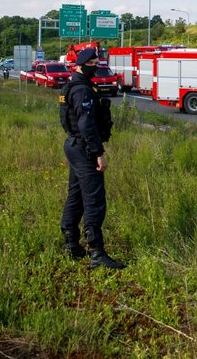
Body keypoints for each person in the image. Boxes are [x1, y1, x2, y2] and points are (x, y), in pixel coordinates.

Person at [59, 47, 123, 269]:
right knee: (94, 199)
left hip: (73, 145)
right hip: (84, 148)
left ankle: (71, 244)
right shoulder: (82, 91)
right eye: (94, 65)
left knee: (75, 195)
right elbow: (86, 124)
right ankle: (97, 254)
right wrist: (98, 153)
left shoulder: (74, 86)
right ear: (83, 65)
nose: (96, 68)